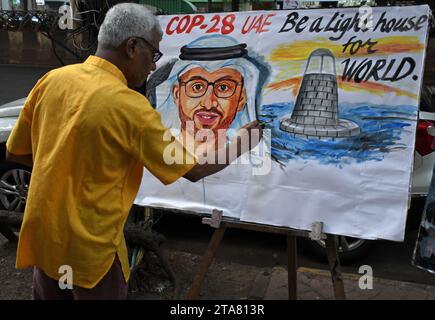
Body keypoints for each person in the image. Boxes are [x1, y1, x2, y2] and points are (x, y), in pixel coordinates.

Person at [6, 3, 262, 300]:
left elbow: (16, 152)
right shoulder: (129, 107)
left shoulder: (52, 81)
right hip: (90, 247)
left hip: (44, 235)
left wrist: (62, 174)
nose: (153, 65)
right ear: (132, 46)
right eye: (152, 54)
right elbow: (194, 169)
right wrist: (241, 143)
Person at [153, 35, 270, 154]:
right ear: (177, 95)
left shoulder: (255, 161)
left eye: (223, 87)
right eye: (197, 87)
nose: (208, 103)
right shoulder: (155, 154)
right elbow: (192, 171)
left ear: (241, 99)